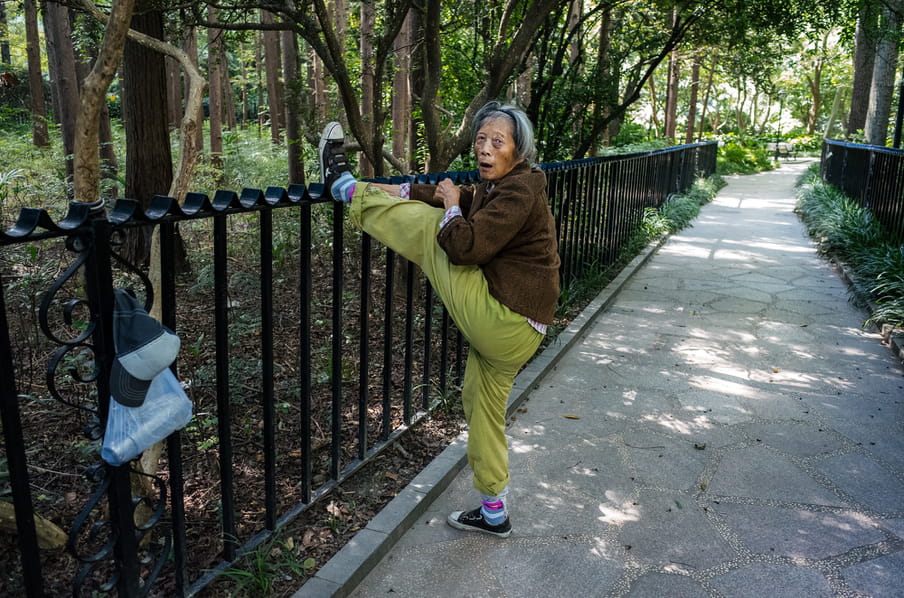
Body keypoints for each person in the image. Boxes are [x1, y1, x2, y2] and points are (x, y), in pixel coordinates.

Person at [318, 101, 560, 538]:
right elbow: (452, 196)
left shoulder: (521, 189)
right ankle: (493, 512)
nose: (485, 149)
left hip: (506, 320)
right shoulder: (503, 185)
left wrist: (446, 206)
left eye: (497, 142)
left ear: (518, 152)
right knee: (482, 407)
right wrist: (405, 190)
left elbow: (465, 247)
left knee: (437, 232)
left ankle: (344, 190)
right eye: (481, 140)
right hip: (522, 331)